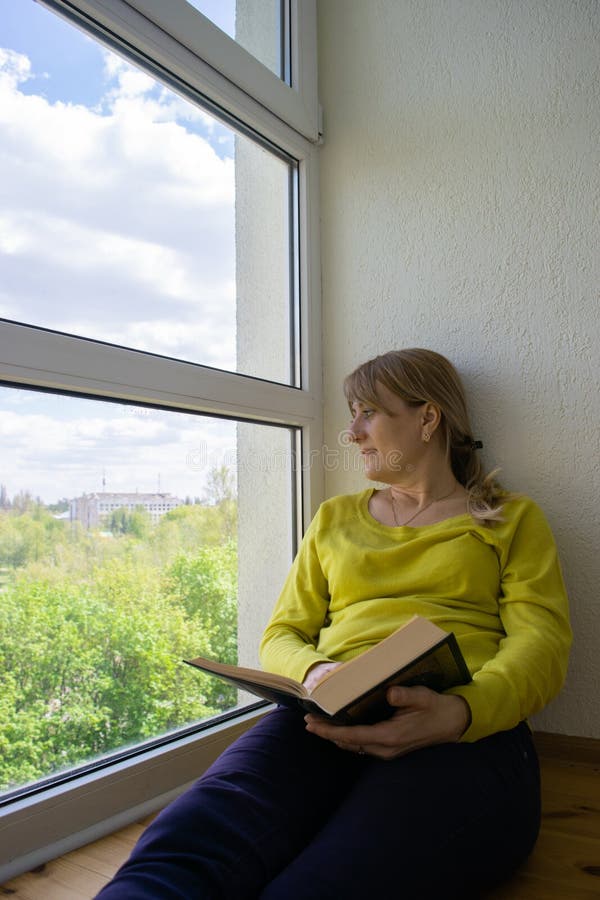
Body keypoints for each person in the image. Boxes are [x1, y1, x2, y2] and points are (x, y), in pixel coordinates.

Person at [96, 348, 572, 900]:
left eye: (367, 412)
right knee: (186, 843)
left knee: (327, 882)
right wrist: (318, 673)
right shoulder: (335, 519)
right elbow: (282, 635)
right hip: (322, 721)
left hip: (462, 732)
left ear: (427, 418)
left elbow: (542, 642)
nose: (351, 432)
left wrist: (461, 711)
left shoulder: (510, 518)